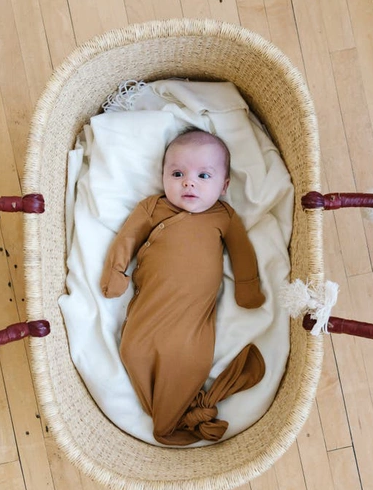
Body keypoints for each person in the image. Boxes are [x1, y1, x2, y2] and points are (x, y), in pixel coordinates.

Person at [100, 128, 266, 446]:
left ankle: (171, 418)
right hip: (151, 305)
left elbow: (243, 253)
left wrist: (247, 287)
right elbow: (127, 238)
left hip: (194, 316)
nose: (189, 182)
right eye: (178, 173)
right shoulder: (153, 207)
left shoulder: (224, 217)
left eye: (204, 175)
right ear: (163, 176)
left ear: (224, 186)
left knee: (192, 361)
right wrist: (116, 272)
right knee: (132, 351)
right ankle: (171, 414)